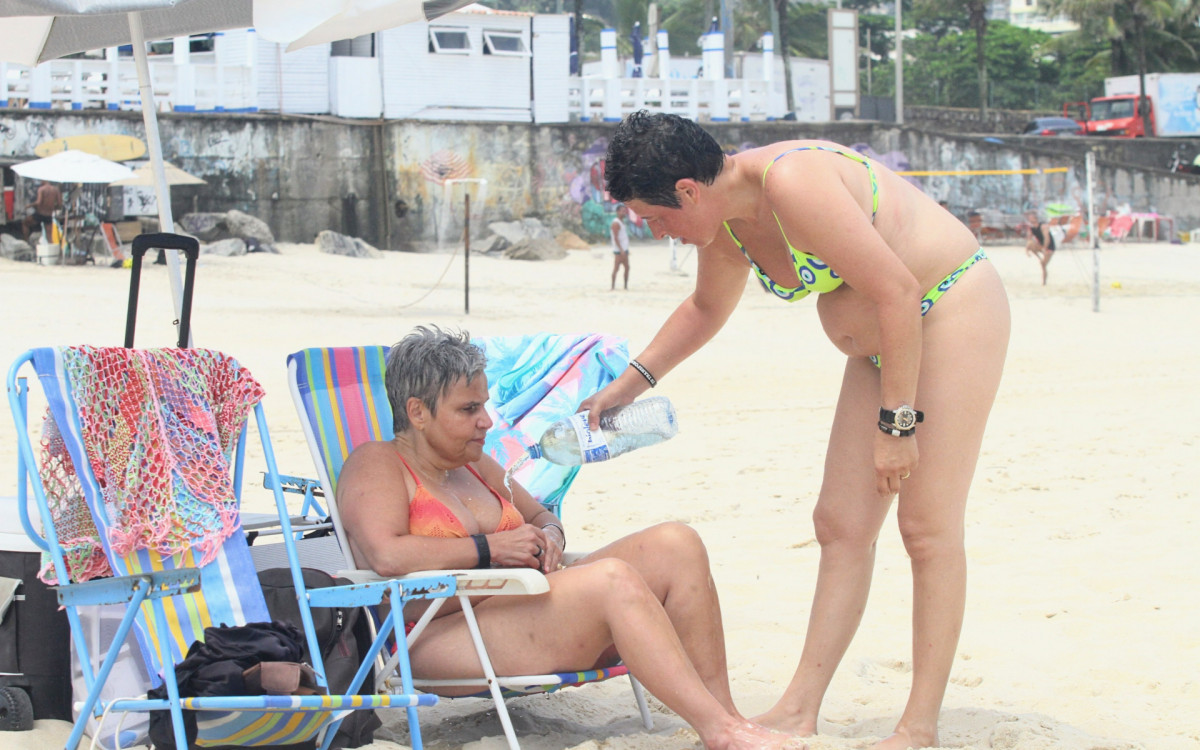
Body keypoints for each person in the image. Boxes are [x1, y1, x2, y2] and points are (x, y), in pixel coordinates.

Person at [582, 111, 1011, 750]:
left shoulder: (792, 185)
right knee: (839, 523)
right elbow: (705, 308)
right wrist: (629, 385)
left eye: (657, 217)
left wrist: (898, 425)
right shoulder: (727, 225)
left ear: (689, 191)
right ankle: (798, 707)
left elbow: (895, 290)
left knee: (926, 526)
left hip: (945, 307)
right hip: (882, 348)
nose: (660, 232)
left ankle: (918, 726)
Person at [336, 326, 802, 750]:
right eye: (469, 409)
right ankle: (720, 732)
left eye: (485, 405)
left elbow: (540, 513)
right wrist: (490, 548)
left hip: (516, 606)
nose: (487, 421)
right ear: (417, 412)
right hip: (435, 634)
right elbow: (388, 554)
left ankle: (725, 716)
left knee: (677, 544)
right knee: (611, 580)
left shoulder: (473, 464)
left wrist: (550, 535)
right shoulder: (377, 463)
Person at [1025, 211, 1062, 286]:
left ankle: (1044, 282)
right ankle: (1039, 258)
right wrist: (1027, 251)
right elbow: (1029, 239)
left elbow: (1047, 239)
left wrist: (1044, 248)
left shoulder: (1043, 226)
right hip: (1041, 246)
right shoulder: (1031, 228)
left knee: (1043, 264)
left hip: (1049, 247)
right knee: (1030, 244)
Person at [611, 203, 631, 290]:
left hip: (623, 249)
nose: (624, 213)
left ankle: (625, 286)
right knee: (616, 268)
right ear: (618, 212)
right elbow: (615, 238)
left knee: (626, 267)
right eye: (623, 211)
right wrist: (621, 250)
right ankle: (613, 286)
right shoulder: (616, 223)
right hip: (619, 251)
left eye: (625, 211)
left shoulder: (621, 222)